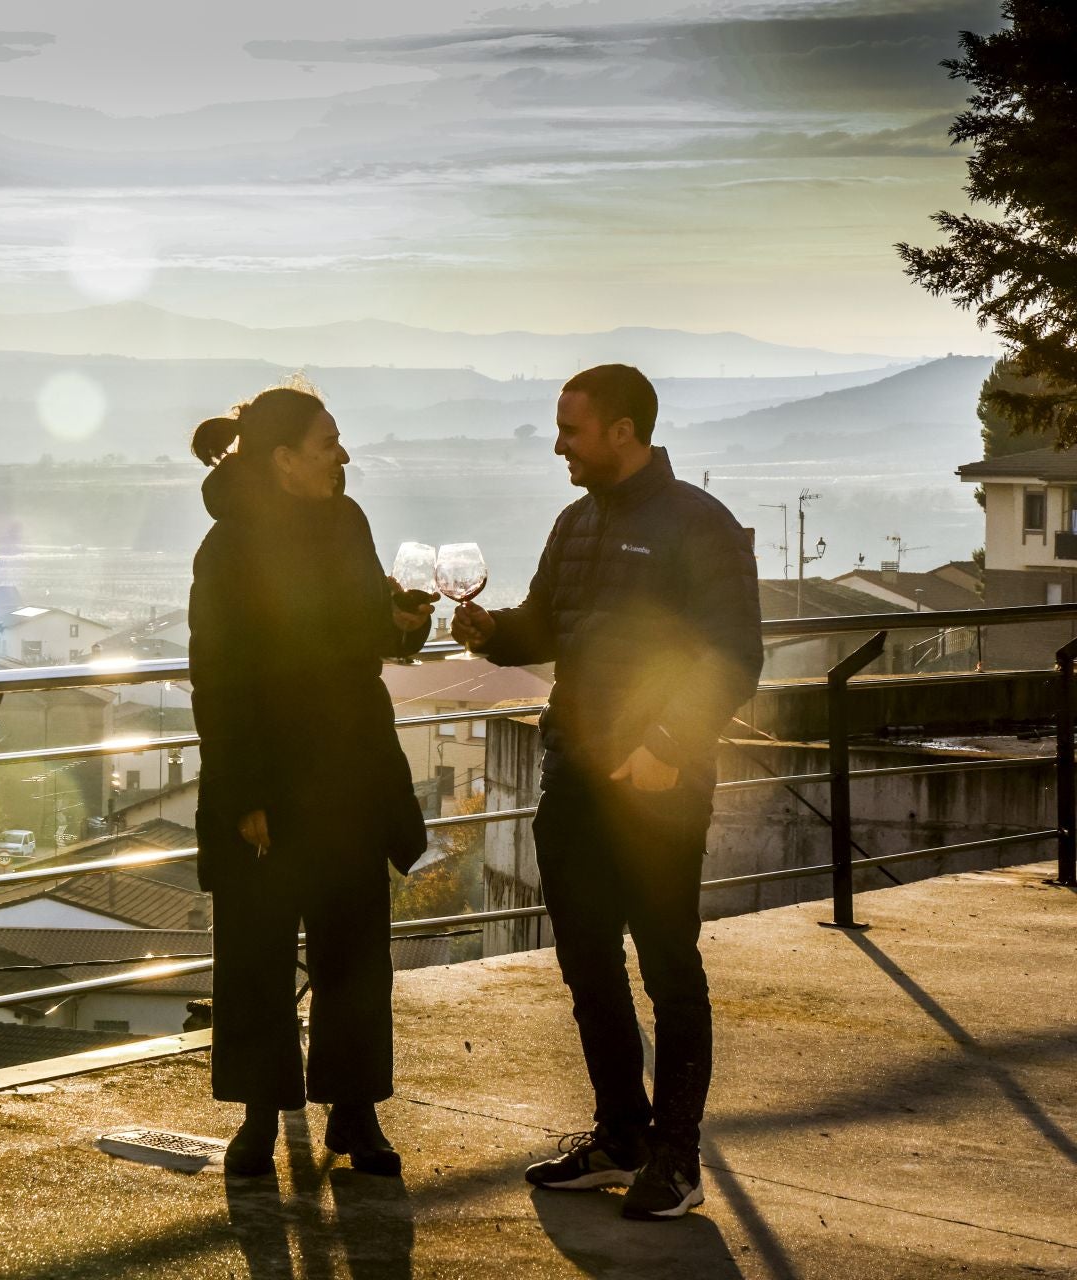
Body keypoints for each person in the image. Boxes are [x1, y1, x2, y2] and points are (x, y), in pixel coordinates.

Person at [452, 363, 759, 1220]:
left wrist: (667, 743)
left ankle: (678, 1159)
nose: (558, 445)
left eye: (572, 430)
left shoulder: (701, 524)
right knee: (589, 966)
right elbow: (546, 627)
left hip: (660, 788)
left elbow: (735, 654)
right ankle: (620, 1134)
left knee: (669, 967)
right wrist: (491, 632)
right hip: (575, 779)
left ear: (623, 431)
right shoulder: (575, 522)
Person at [187, 381, 434, 1178]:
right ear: (285, 459)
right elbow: (217, 678)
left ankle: (354, 1115)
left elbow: (366, 629)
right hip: (268, 777)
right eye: (330, 444)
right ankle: (260, 1117)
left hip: (352, 769)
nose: (345, 456)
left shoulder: (347, 521)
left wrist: (405, 620)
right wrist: (244, 794)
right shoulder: (226, 549)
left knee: (355, 950)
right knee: (257, 951)